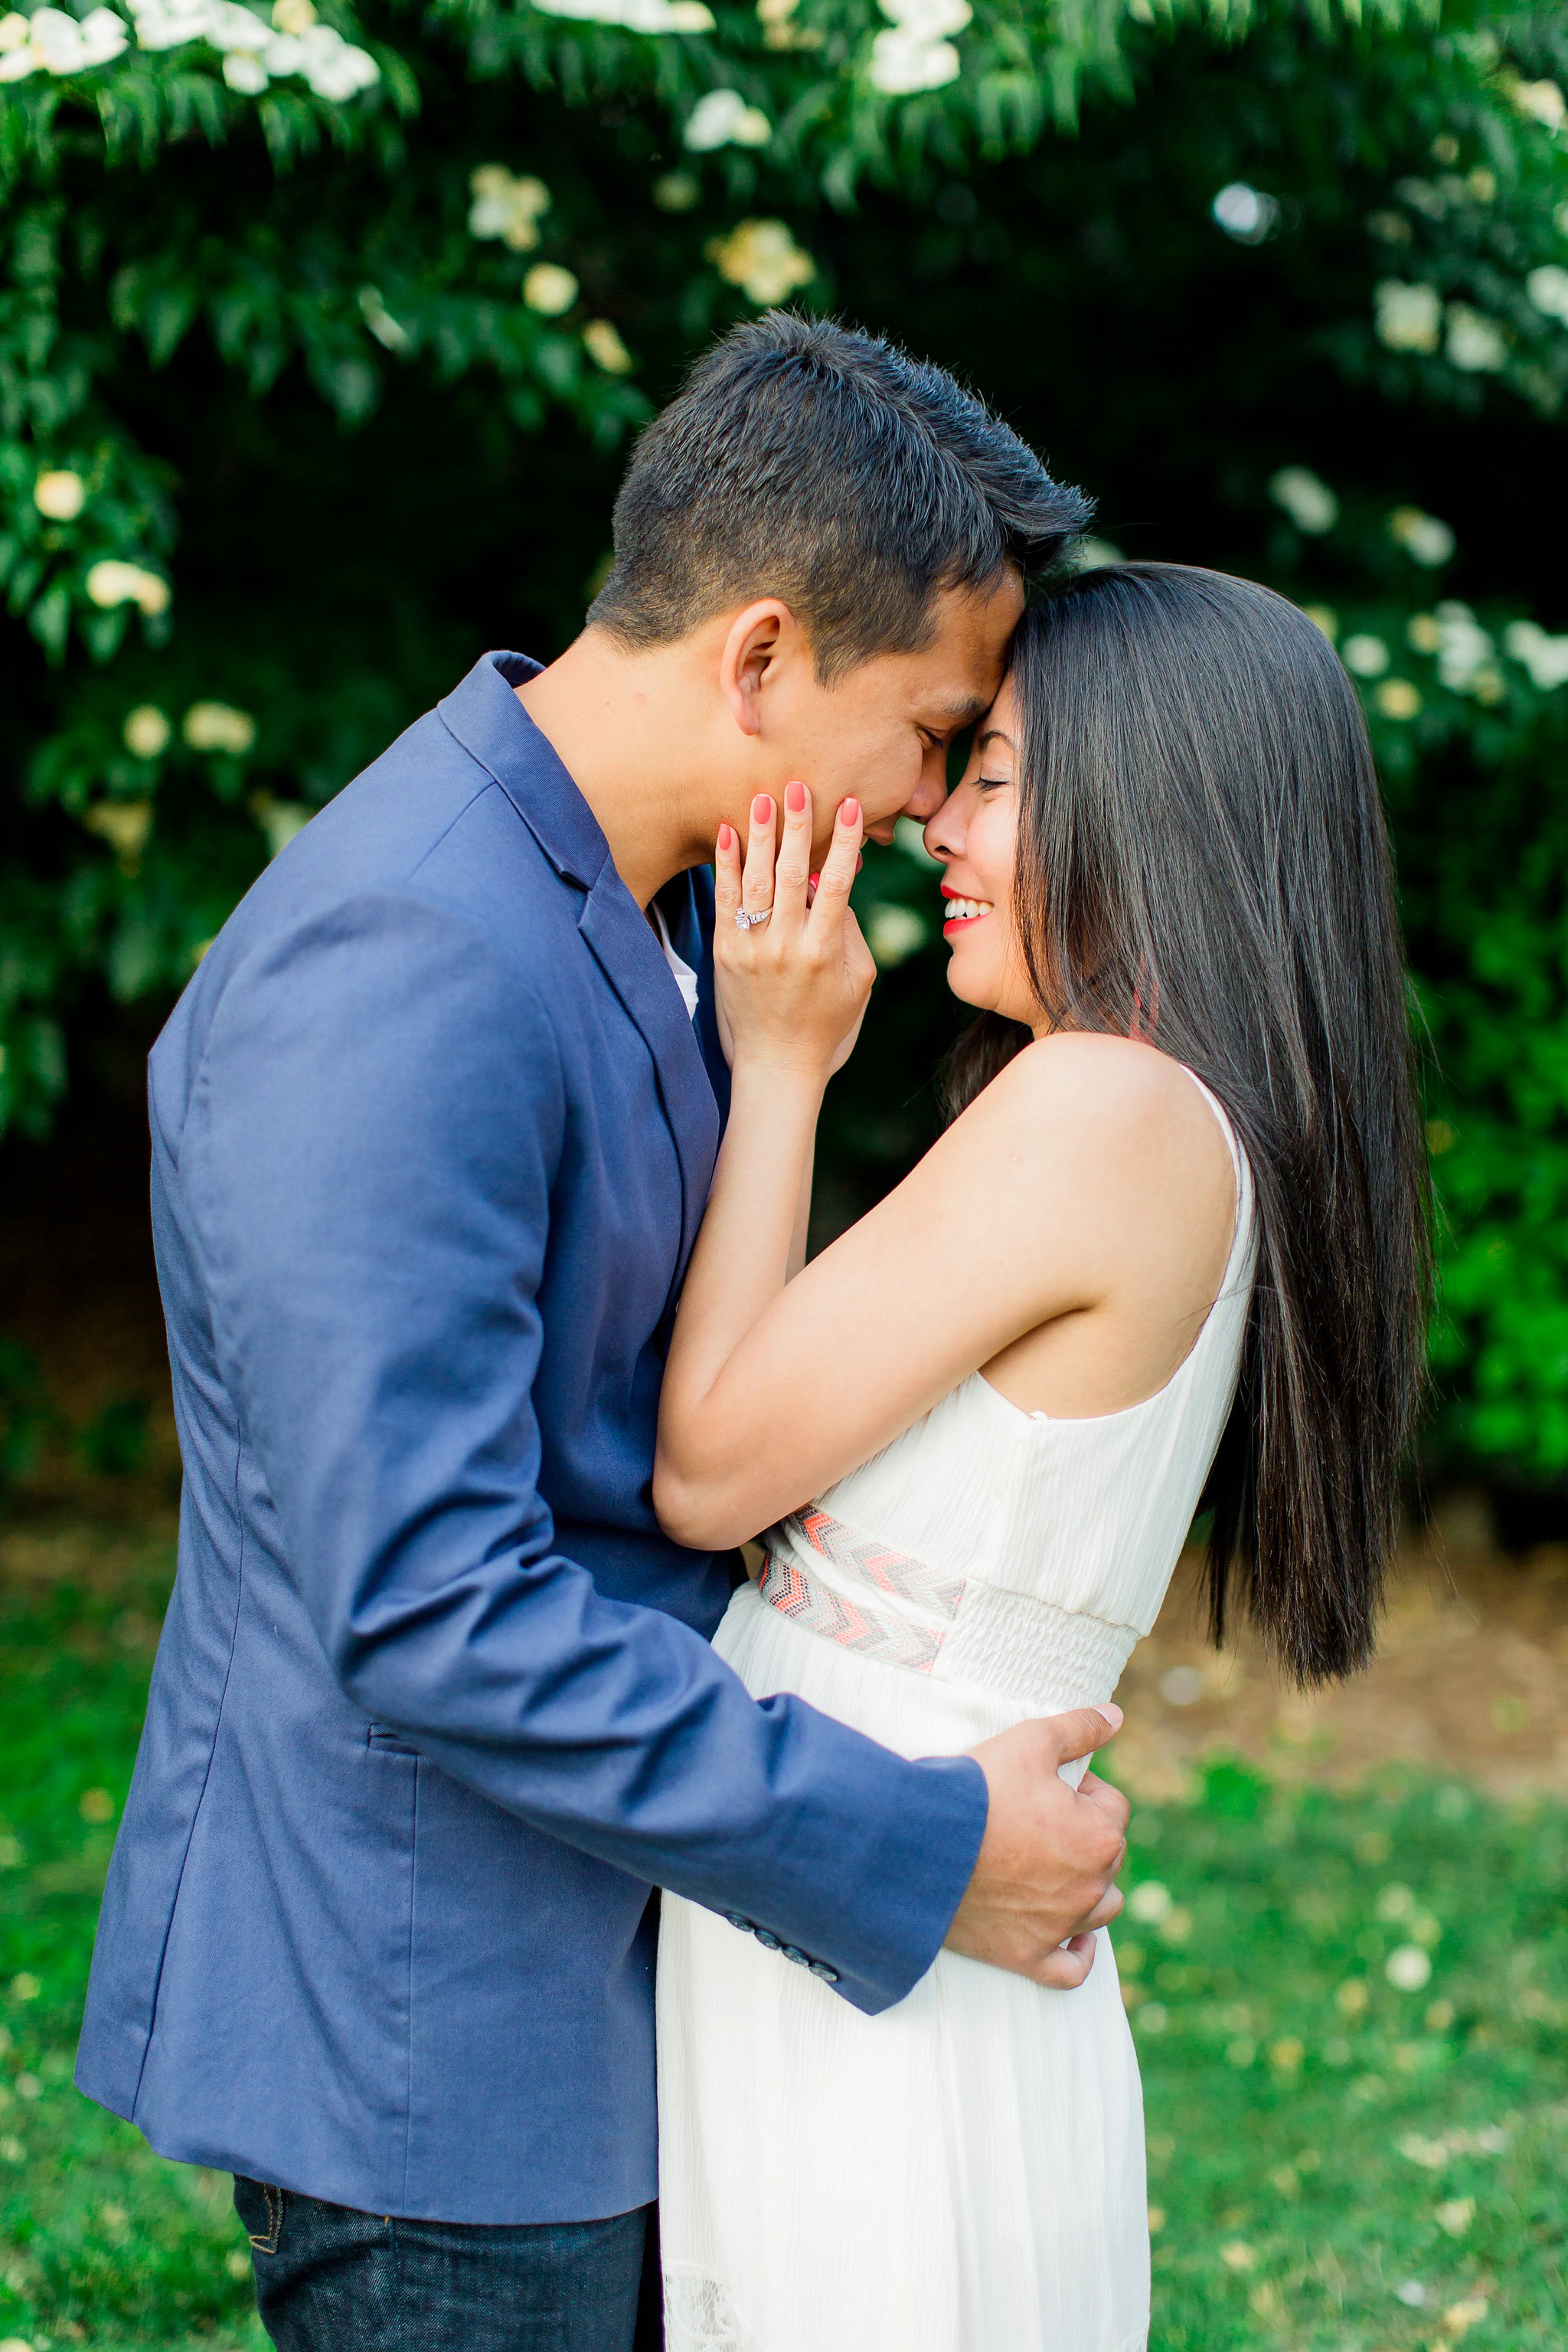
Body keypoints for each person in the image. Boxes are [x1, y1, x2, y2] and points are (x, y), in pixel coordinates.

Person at [73, 313, 1132, 2352]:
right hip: (432, 2045)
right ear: (757, 661)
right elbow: (433, 1607)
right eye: (929, 733)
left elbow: (674, 1425)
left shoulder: (651, 903)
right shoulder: (408, 955)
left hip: (603, 1979)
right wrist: (917, 1844)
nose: (932, 809)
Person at [653, 563, 1432, 2352]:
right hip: (911, 1884)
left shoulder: (1103, 1105)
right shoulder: (1167, 1114)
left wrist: (778, 1066)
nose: (935, 819)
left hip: (892, 1906)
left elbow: (707, 1469)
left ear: (1147, 804)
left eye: (988, 775)